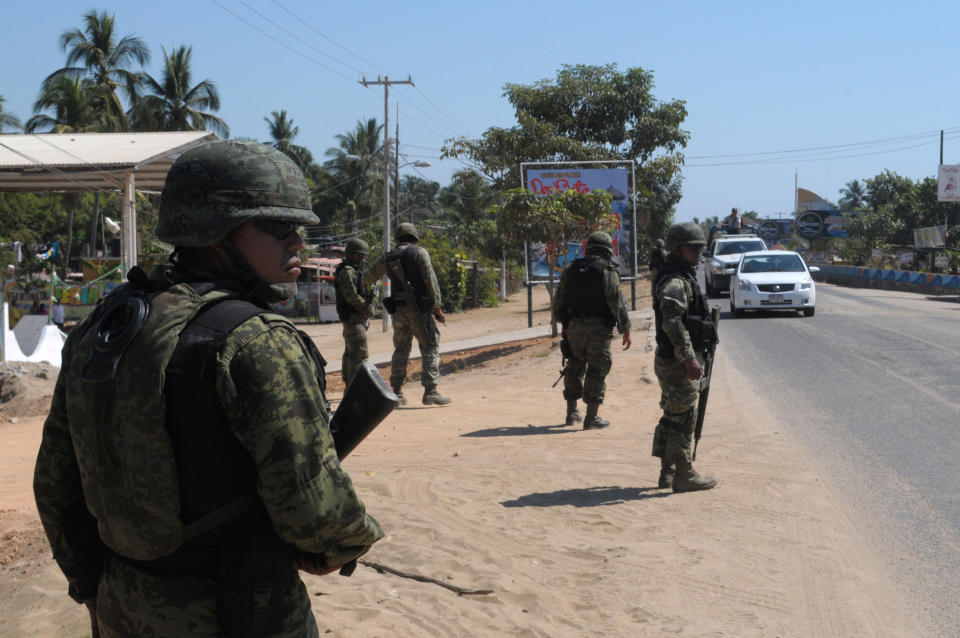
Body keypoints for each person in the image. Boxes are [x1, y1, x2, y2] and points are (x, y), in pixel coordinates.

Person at [34, 140, 384, 638]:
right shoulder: (255, 341)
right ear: (215, 233)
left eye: (300, 229)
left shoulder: (104, 327)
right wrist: (345, 543)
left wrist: (90, 589)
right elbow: (314, 508)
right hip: (240, 609)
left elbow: (55, 484)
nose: (298, 243)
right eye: (279, 228)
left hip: (122, 603)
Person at [652, 222, 718, 493]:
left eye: (701, 248)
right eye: (693, 248)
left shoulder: (680, 275)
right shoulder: (676, 281)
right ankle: (684, 473)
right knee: (683, 418)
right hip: (678, 362)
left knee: (672, 415)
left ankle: (667, 472)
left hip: (674, 359)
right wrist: (690, 358)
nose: (699, 253)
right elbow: (672, 323)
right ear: (678, 248)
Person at [363, 222, 450, 406]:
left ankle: (396, 392)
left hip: (398, 313)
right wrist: (438, 308)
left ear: (398, 238)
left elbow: (369, 277)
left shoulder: (388, 257)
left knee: (401, 349)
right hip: (418, 311)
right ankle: (430, 390)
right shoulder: (419, 253)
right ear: (414, 237)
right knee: (430, 345)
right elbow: (430, 281)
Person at [554, 231, 632, 429]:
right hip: (599, 329)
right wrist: (626, 330)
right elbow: (618, 304)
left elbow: (559, 302)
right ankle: (592, 418)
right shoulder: (607, 271)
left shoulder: (571, 269)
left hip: (574, 328)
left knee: (574, 365)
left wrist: (566, 326)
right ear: (607, 251)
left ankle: (572, 413)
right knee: (597, 369)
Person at [334, 237, 375, 387]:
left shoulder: (351, 270)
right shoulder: (347, 271)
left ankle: (349, 386)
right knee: (359, 355)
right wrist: (367, 308)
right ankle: (355, 388)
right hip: (352, 318)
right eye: (360, 255)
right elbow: (351, 296)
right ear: (352, 254)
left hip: (354, 318)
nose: (362, 258)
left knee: (351, 354)